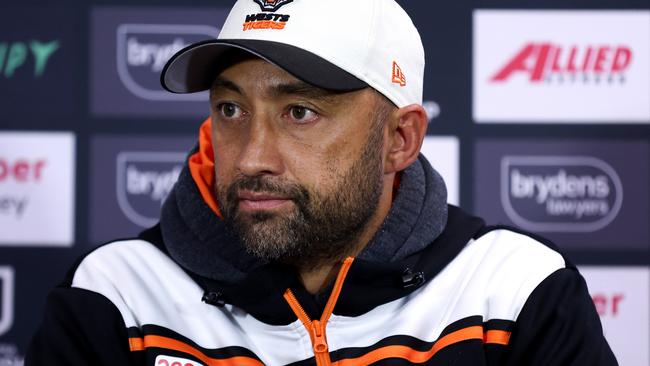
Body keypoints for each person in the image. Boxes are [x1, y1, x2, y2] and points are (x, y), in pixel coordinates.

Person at [26, 0, 617, 364]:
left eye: (299, 112)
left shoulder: (515, 292)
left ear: (399, 139)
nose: (253, 157)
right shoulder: (116, 296)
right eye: (231, 110)